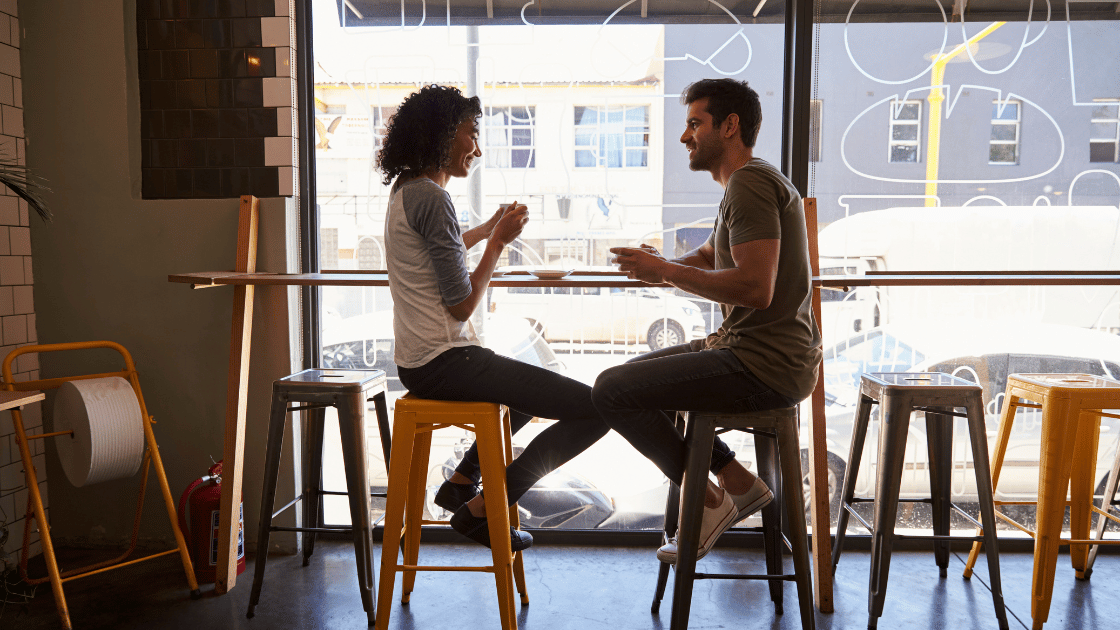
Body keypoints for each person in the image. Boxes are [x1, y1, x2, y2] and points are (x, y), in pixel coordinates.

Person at [591, 78, 822, 562]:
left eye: (695, 123)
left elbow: (756, 289)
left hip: (763, 365)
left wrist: (668, 272)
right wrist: (660, 266)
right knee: (626, 384)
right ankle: (736, 480)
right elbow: (710, 255)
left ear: (730, 126)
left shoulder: (750, 184)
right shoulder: (748, 183)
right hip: (750, 352)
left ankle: (713, 499)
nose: (685, 136)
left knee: (613, 390)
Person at [377, 84, 610, 552]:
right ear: (442, 136)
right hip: (445, 361)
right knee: (596, 408)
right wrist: (499, 244)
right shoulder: (432, 198)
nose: (477, 148)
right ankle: (484, 508)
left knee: (531, 387)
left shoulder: (408, 191)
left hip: (420, 362)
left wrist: (483, 231)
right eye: (471, 134)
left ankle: (463, 481)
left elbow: (435, 255)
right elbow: (461, 303)